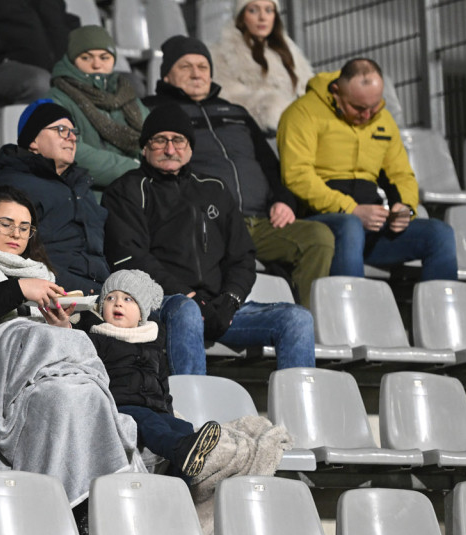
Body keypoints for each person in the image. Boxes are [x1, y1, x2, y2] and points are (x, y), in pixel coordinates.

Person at [0, 184, 139, 509]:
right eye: (5, 223)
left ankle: (89, 510)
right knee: (38, 340)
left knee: (79, 396)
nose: (15, 233)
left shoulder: (38, 271)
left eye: (24, 227)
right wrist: (18, 290)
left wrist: (58, 326)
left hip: (42, 380)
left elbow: (46, 338)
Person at [103, 104, 316, 375]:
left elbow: (242, 256)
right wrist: (189, 296)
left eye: (178, 140)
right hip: (164, 304)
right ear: (145, 147)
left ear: (190, 147)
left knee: (296, 318)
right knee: (187, 311)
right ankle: (192, 415)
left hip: (217, 307)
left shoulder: (214, 188)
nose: (170, 149)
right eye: (160, 141)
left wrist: (230, 301)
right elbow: (130, 256)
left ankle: (298, 414)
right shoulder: (126, 190)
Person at [148, 35, 332, 307]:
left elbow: (270, 165)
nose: (196, 74)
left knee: (319, 237)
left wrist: (283, 200)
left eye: (203, 67)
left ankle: (312, 324)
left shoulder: (237, 112)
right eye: (185, 67)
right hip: (210, 221)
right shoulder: (155, 112)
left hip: (261, 220)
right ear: (166, 76)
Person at [277, 58, 458, 281]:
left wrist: (406, 209)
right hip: (320, 222)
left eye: (375, 106)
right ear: (336, 91)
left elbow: (401, 174)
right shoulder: (302, 113)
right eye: (358, 108)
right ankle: (354, 309)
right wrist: (350, 209)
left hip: (371, 224)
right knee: (350, 225)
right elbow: (297, 176)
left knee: (440, 234)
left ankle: (442, 314)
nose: (367, 115)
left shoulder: (383, 120)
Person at [78, 270, 221, 481]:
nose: (118, 304)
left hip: (154, 407)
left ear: (141, 314)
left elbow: (163, 386)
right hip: (122, 406)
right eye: (110, 298)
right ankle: (180, 451)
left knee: (182, 427)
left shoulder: (151, 343)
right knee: (149, 422)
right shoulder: (98, 337)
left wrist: (168, 412)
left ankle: (180, 481)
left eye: (128, 299)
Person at [0, 99, 110, 295]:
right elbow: (7, 255)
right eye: (62, 130)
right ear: (33, 140)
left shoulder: (81, 186)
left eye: (73, 132)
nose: (71, 138)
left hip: (100, 287)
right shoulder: (11, 184)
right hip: (56, 291)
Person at [46, 25, 148, 189]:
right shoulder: (56, 98)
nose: (96, 64)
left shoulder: (127, 95)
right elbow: (70, 151)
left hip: (137, 189)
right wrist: (135, 170)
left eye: (104, 57)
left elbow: (154, 137)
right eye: (86, 58)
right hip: (89, 195)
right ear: (72, 60)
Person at [209, 0, 313, 134]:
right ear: (242, 15)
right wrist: (269, 106)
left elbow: (306, 88)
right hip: (256, 130)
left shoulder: (289, 51)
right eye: (253, 10)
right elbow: (229, 96)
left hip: (297, 126)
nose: (262, 17)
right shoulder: (222, 52)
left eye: (269, 10)